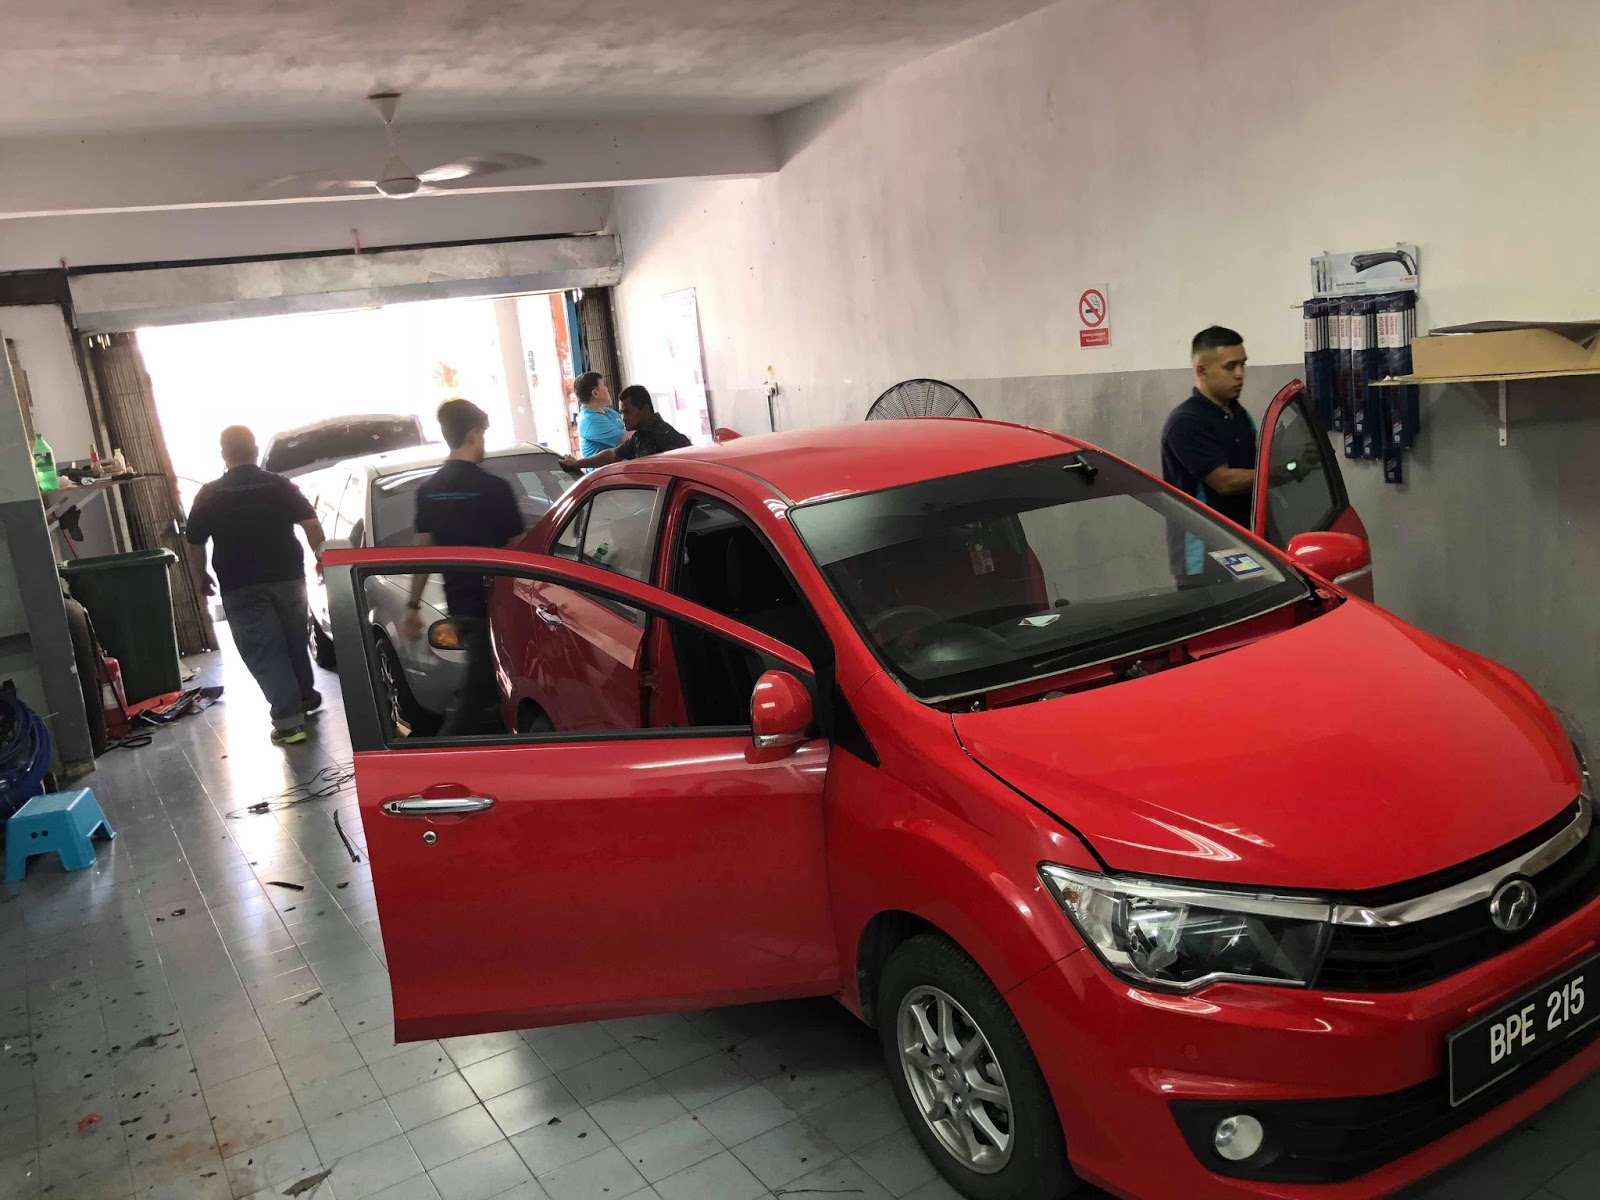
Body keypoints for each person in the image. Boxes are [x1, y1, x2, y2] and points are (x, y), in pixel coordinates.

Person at [186, 425, 325, 746]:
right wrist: (322, 558)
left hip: (241, 585)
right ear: (255, 449)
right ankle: (304, 698)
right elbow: (311, 523)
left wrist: (201, 576)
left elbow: (194, 542)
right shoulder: (280, 484)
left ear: (224, 454)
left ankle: (289, 723)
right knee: (294, 641)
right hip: (288, 579)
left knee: (265, 651)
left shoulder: (208, 494)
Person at [400, 399, 526, 736]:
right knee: (481, 689)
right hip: (496, 603)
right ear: (472, 435)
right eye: (482, 435)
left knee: (487, 684)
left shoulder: (429, 491)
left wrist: (412, 606)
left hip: (461, 606)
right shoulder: (494, 488)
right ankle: (444, 751)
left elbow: (422, 554)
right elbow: (519, 547)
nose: (483, 443)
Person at [1160, 326, 1257, 528]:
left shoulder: (1239, 414)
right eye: (1230, 367)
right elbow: (1225, 482)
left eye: (1242, 364)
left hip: (1246, 535)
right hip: (1205, 541)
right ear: (1201, 371)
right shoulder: (1185, 423)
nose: (1240, 374)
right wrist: (1284, 471)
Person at [559, 385, 690, 471]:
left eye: (628, 412)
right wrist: (577, 464)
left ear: (645, 409)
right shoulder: (640, 436)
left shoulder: (665, 435)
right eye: (621, 413)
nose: (623, 418)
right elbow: (613, 455)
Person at [574, 371, 624, 463]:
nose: (607, 389)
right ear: (595, 393)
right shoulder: (590, 420)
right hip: (606, 472)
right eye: (604, 385)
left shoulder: (609, 412)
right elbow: (626, 440)